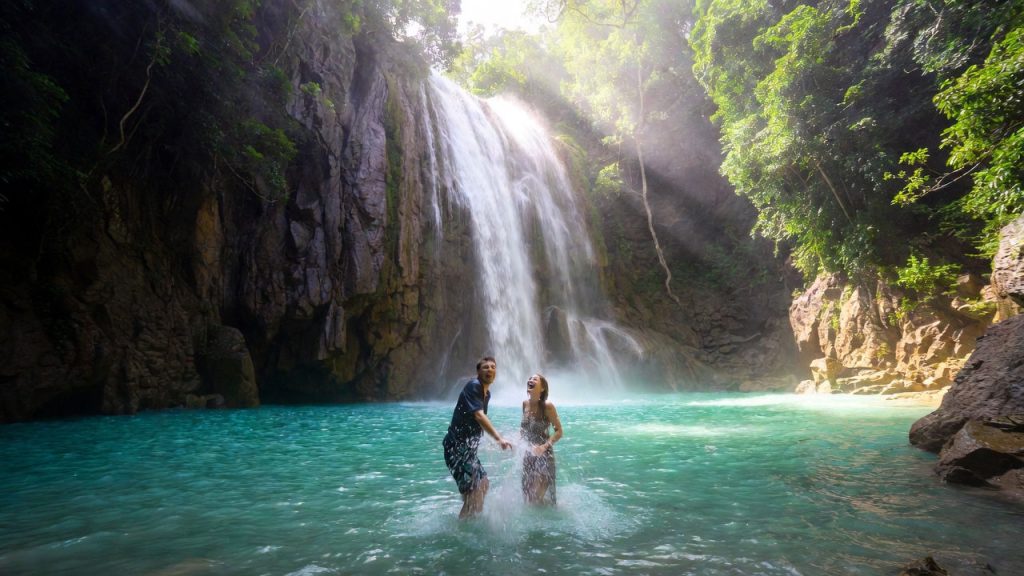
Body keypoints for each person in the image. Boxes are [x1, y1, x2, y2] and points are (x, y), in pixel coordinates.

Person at [442, 356, 512, 519]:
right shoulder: (474, 386)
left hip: (468, 450)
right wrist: (498, 438)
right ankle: (463, 529)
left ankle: (471, 520)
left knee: (483, 484)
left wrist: (487, 441)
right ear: (478, 372)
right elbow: (479, 416)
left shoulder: (486, 394)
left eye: (493, 367)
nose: (490, 370)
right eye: (485, 367)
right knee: (473, 493)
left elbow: (476, 422)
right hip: (457, 449)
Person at [520, 373, 563, 505]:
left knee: (536, 499)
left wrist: (544, 446)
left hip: (544, 455)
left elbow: (559, 431)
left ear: (542, 388)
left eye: (535, 379)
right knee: (527, 498)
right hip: (528, 454)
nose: (530, 380)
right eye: (530, 378)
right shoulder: (525, 404)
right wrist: (515, 442)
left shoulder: (547, 406)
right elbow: (523, 430)